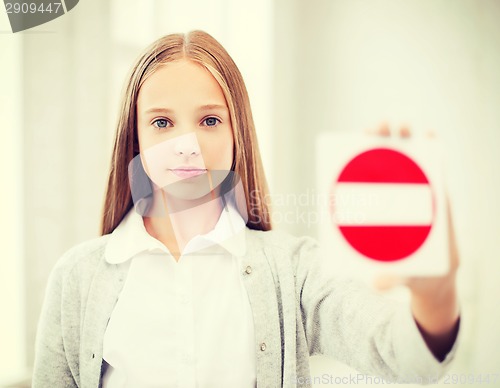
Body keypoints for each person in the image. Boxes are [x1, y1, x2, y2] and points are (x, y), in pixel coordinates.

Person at [32, 30, 460, 388]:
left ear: (239, 134)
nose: (189, 145)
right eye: (162, 122)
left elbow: (404, 357)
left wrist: (435, 296)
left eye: (210, 121)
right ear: (135, 138)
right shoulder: (77, 278)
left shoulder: (293, 270)